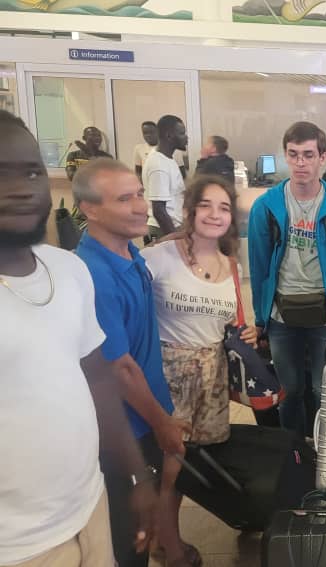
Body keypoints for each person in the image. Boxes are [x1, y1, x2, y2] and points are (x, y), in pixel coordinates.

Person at [0, 110, 157, 567]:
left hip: (89, 508)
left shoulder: (68, 270)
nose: (22, 188)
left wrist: (135, 475)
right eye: (2, 174)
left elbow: (98, 380)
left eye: (32, 172)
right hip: (19, 544)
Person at [73, 158, 187, 567]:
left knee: (149, 519)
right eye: (124, 199)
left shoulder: (130, 254)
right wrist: (162, 423)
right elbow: (118, 368)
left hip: (148, 417)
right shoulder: (93, 274)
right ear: (90, 209)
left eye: (139, 193)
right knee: (129, 539)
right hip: (125, 430)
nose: (141, 206)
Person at [140, 175, 257, 567]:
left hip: (211, 376)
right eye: (206, 205)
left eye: (224, 208)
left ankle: (162, 536)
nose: (214, 214)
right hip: (170, 375)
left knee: (186, 466)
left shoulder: (230, 264)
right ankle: (168, 546)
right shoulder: (159, 256)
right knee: (170, 465)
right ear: (189, 210)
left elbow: (228, 323)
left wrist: (247, 332)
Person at [247, 121, 326, 437]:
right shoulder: (266, 206)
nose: (301, 162)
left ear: (322, 157)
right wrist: (260, 320)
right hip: (281, 315)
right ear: (286, 156)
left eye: (308, 154)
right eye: (293, 154)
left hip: (325, 316)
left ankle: (321, 448)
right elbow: (259, 267)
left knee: (323, 390)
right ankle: (292, 451)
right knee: (288, 392)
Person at [143, 114, 189, 237]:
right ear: (169, 136)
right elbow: (159, 211)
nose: (186, 137)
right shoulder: (159, 165)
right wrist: (175, 239)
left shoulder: (166, 158)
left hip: (172, 225)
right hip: (163, 229)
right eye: (182, 133)